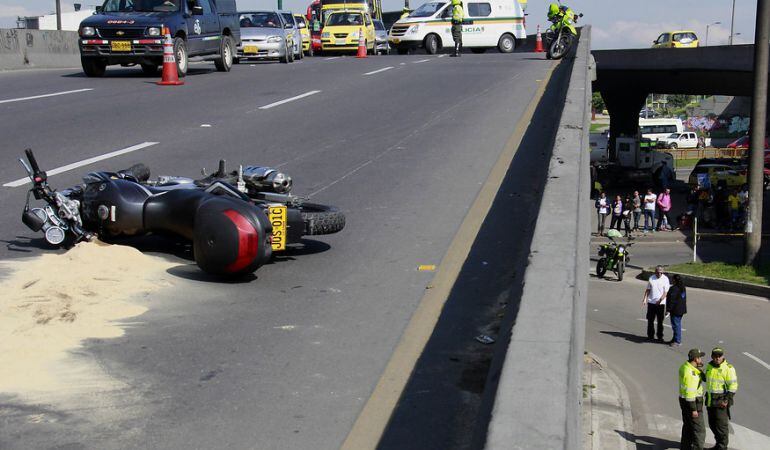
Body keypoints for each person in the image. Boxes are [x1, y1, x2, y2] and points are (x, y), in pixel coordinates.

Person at [705, 347, 738, 450]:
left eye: (719, 356)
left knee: (721, 427)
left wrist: (726, 400)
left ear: (723, 356)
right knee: (712, 424)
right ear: (712, 356)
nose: (718, 358)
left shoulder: (728, 368)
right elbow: (707, 379)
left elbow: (733, 386)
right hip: (710, 400)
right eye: (715, 356)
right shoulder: (709, 366)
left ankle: (722, 447)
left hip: (721, 402)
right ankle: (718, 445)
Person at [679, 348, 706, 450]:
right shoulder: (691, 374)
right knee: (700, 431)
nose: (701, 360)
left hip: (684, 401)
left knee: (688, 427)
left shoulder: (685, 366)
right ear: (695, 359)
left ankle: (685, 447)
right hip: (693, 403)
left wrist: (699, 370)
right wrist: (694, 409)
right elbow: (690, 393)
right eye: (700, 358)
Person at [642, 265, 669, 341]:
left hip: (660, 304)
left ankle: (660, 337)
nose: (659, 274)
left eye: (660, 272)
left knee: (660, 321)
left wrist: (660, 300)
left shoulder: (665, 279)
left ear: (662, 272)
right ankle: (650, 336)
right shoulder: (651, 278)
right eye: (657, 272)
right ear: (655, 272)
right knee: (650, 320)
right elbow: (648, 290)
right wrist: (644, 299)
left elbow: (665, 292)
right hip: (651, 303)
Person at [666, 274, 686, 346]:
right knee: (678, 324)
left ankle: (677, 341)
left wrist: (668, 310)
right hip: (681, 309)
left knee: (675, 325)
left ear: (674, 280)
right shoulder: (682, 287)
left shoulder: (674, 288)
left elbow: (672, 300)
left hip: (675, 310)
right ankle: (675, 339)